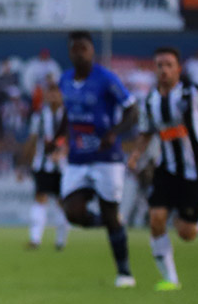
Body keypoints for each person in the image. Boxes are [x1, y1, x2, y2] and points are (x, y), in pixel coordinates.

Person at [126, 47, 198, 290]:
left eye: (168, 65)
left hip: (196, 169)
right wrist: (136, 155)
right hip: (166, 168)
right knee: (156, 219)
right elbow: (146, 133)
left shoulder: (195, 93)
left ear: (179, 68)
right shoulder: (149, 101)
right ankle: (170, 279)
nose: (164, 70)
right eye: (159, 65)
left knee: (187, 233)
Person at [56, 31, 139, 287]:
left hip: (107, 158)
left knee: (109, 209)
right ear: (70, 52)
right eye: (75, 48)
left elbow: (132, 110)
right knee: (72, 211)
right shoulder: (65, 80)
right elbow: (68, 114)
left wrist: (114, 132)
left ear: (92, 51)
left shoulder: (106, 79)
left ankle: (124, 272)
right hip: (78, 157)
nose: (80, 52)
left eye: (84, 48)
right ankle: (110, 223)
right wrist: (57, 138)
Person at [20, 83, 69, 250]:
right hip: (42, 165)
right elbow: (32, 140)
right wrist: (23, 165)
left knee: (62, 202)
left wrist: (63, 153)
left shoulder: (68, 115)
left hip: (64, 167)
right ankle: (35, 239)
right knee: (40, 198)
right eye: (51, 93)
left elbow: (73, 140)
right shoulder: (39, 116)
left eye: (57, 93)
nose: (54, 97)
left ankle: (60, 241)